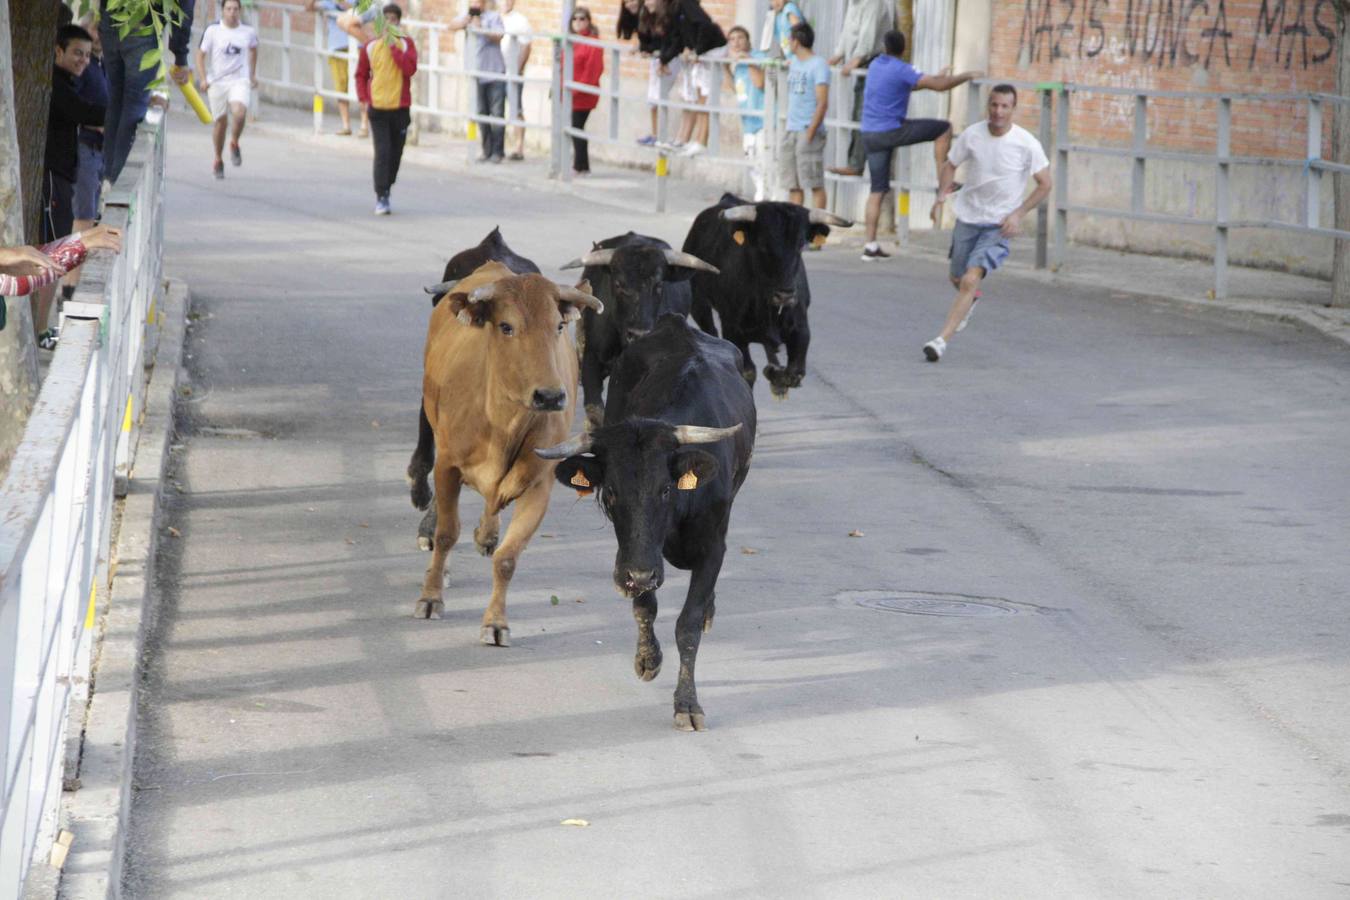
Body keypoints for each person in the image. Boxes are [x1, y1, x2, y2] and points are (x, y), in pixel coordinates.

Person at [922, 84, 1051, 363]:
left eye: (1005, 106)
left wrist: (1018, 214)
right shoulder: (973, 135)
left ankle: (941, 340)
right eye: (994, 105)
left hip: (998, 224)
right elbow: (950, 164)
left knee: (970, 279)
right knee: (957, 278)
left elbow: (1045, 184)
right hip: (968, 216)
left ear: (1013, 109)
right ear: (987, 106)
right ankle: (970, 298)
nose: (998, 112)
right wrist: (941, 196)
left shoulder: (1026, 143)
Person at [858, 31, 978, 261]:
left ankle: (870, 246)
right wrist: (965, 76)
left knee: (877, 190)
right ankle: (945, 181)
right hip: (891, 131)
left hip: (869, 134)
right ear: (903, 49)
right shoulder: (901, 68)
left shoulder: (876, 65)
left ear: (884, 47)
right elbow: (939, 87)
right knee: (943, 128)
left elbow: (912, 84)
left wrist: (934, 76)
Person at [40, 25, 106, 349]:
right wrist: (121, 112)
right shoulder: (56, 83)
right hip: (54, 177)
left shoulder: (67, 82)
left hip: (62, 176)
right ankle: (40, 330)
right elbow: (86, 113)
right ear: (57, 51)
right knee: (50, 256)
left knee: (51, 253)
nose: (82, 60)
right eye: (76, 53)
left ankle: (40, 327)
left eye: (86, 54)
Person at [101, 0, 195, 185]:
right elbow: (184, 9)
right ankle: (118, 181)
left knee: (116, 101)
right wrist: (180, 55)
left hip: (111, 18)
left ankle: (107, 176)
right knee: (133, 105)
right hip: (143, 25)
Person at [64, 15, 111, 301]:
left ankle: (72, 285)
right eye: (97, 29)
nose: (100, 35)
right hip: (84, 147)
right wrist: (97, 122)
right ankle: (69, 288)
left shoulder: (101, 65)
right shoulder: (84, 67)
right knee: (82, 219)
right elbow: (75, 107)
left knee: (87, 216)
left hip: (97, 148)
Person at [356, 3, 418, 214]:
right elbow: (361, 74)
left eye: (394, 19)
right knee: (382, 152)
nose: (390, 23)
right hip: (378, 107)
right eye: (386, 19)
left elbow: (409, 69)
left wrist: (393, 47)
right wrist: (364, 98)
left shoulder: (406, 45)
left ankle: (387, 186)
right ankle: (381, 195)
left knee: (395, 153)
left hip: (400, 107)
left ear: (398, 22)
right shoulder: (371, 46)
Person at [826, 0, 892, 178]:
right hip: (865, 62)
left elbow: (867, 37)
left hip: (875, 61)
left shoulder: (873, 3)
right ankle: (855, 163)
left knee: (863, 114)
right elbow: (847, 32)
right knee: (858, 113)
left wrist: (854, 60)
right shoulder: (854, 4)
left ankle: (856, 165)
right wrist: (837, 55)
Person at [196, 0, 259, 180]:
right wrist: (203, 78)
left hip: (239, 80)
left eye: (235, 9)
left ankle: (234, 142)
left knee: (239, 113)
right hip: (217, 81)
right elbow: (200, 55)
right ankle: (217, 158)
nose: (232, 13)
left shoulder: (248, 32)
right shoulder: (213, 31)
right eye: (229, 9)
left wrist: (252, 74)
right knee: (220, 122)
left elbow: (254, 49)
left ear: (240, 11)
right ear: (222, 11)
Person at [306, 0, 375, 135]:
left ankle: (364, 125)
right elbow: (309, 8)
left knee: (362, 83)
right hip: (337, 46)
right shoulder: (327, 2)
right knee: (340, 85)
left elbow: (361, 13)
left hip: (357, 46)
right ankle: (346, 125)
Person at [450, 0, 507, 163]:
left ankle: (498, 151)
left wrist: (481, 26)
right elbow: (450, 26)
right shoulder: (467, 16)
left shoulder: (493, 17)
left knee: (496, 113)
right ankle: (486, 150)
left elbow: (499, 36)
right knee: (480, 113)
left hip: (494, 72)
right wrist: (465, 22)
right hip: (476, 74)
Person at [780, 22, 829, 211]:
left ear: (796, 41)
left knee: (814, 182)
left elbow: (822, 102)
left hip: (808, 129)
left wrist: (810, 132)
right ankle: (793, 231)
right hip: (791, 128)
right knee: (793, 184)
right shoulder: (795, 63)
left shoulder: (818, 65)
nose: (788, 43)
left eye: (789, 39)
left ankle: (817, 232)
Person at [617, 0, 675, 147]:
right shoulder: (641, 16)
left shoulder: (655, 13)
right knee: (653, 97)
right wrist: (643, 47)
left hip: (666, 58)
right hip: (657, 59)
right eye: (626, 2)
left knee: (659, 96)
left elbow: (660, 39)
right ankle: (656, 134)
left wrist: (646, 48)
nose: (630, 4)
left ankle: (660, 135)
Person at [725, 25, 766, 200]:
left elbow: (760, 83)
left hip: (763, 122)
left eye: (740, 38)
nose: (737, 43)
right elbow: (734, 88)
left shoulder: (757, 57)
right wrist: (725, 67)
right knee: (752, 164)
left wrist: (748, 60)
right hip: (747, 122)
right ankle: (761, 197)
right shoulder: (738, 64)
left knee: (764, 164)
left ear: (748, 40)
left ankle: (764, 201)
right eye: (732, 39)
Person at [566, 7, 604, 175]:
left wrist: (577, 90)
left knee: (577, 127)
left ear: (588, 21)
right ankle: (581, 165)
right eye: (575, 19)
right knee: (575, 128)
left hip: (583, 94)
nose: (578, 22)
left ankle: (580, 166)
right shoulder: (571, 41)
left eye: (582, 19)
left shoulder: (593, 42)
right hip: (570, 91)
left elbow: (593, 71)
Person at [500, 0, 532, 160]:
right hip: (495, 70)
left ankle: (519, 147)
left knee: (516, 108)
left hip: (512, 71)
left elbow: (527, 46)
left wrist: (518, 69)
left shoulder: (520, 20)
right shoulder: (492, 17)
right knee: (495, 109)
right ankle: (495, 146)